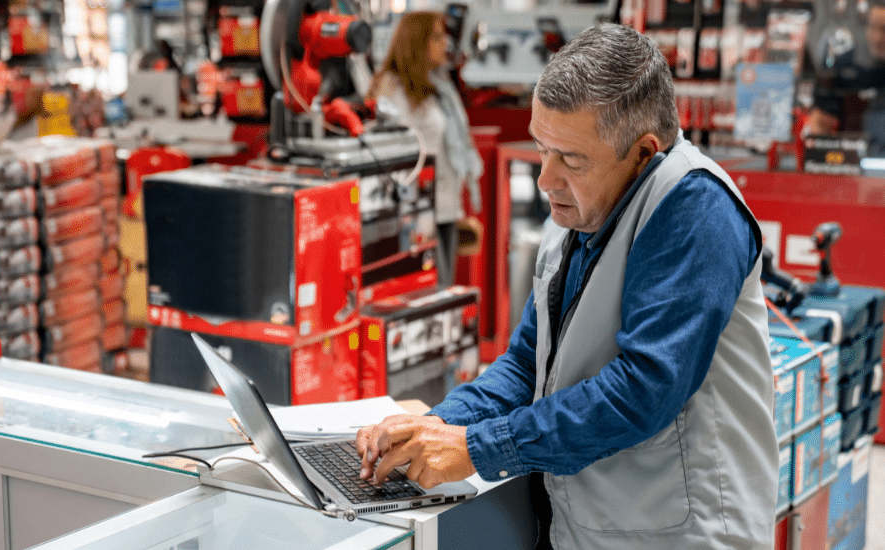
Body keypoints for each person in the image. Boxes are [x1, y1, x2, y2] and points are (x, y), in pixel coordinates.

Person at [357, 23, 778, 549]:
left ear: (644, 153)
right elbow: (526, 365)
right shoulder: (582, 214)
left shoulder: (696, 209)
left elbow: (643, 390)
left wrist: (478, 447)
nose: (546, 179)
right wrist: (433, 428)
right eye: (542, 150)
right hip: (590, 530)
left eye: (571, 159)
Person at [369, 11, 483, 287]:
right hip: (414, 212)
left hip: (445, 206)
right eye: (436, 36)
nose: (444, 43)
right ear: (416, 42)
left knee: (443, 290)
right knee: (425, 290)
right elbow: (392, 153)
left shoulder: (438, 87)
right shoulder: (392, 91)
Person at [807, 0, 885, 153]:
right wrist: (820, 116)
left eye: (884, 29)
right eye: (872, 27)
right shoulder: (858, 75)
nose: (877, 38)